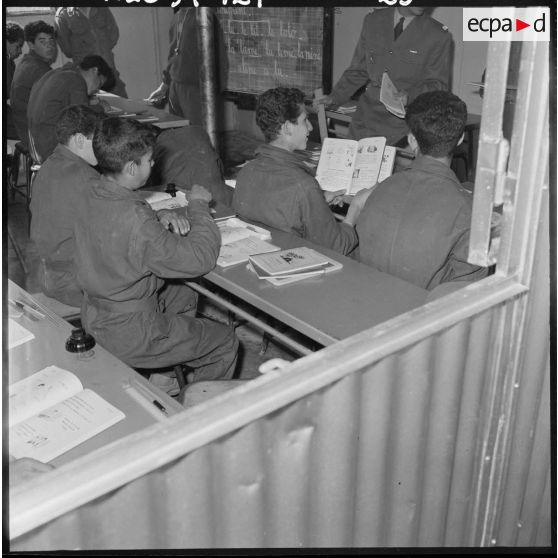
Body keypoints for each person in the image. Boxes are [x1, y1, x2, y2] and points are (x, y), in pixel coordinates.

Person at [73, 118, 239, 394]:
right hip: (131, 330)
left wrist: (155, 216)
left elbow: (118, 226)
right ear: (130, 168)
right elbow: (200, 258)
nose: (154, 165)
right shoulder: (136, 218)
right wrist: (198, 206)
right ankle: (197, 418)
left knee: (184, 292)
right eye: (149, 160)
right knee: (225, 341)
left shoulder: (91, 191)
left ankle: (164, 377)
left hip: (94, 312)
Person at [346, 91, 489, 291]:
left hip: (359, 302)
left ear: (412, 140)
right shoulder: (468, 212)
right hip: (420, 316)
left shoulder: (379, 191)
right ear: (460, 139)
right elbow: (464, 293)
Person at [233, 87, 358, 256]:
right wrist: (354, 211)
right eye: (305, 120)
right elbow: (338, 246)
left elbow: (282, 210)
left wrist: (318, 201)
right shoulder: (302, 184)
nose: (310, 128)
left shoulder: (246, 171)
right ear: (287, 128)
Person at [316, 6, 451, 145]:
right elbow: (359, 69)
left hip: (404, 128)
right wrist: (334, 97)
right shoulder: (373, 20)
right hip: (365, 120)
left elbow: (438, 84)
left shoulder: (437, 35)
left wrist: (410, 95)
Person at [30, 105, 103, 307]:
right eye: (97, 140)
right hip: (74, 283)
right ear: (79, 140)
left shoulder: (48, 165)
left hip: (47, 274)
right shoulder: (85, 176)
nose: (104, 146)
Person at [145, 7, 227, 126]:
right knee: (188, 135)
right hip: (183, 88)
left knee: (191, 135)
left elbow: (218, 55)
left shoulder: (194, 16)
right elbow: (174, 54)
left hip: (188, 88)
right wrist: (164, 86)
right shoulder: (183, 16)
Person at [27, 54, 115, 162]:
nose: (96, 89)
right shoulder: (76, 80)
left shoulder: (54, 73)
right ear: (94, 70)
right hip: (52, 150)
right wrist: (101, 108)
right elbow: (83, 120)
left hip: (36, 146)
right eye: (100, 83)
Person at [54, 7, 127, 97]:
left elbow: (113, 35)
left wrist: (102, 49)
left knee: (122, 104)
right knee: (91, 108)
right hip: (86, 79)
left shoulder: (102, 8)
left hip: (109, 70)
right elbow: (67, 50)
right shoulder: (63, 15)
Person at [151, 125, 233, 207]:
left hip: (193, 201)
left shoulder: (161, 149)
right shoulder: (196, 131)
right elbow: (220, 167)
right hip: (223, 199)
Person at [10, 20, 58, 144]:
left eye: (51, 40)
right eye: (43, 41)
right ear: (31, 45)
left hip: (25, 128)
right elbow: (56, 107)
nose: (50, 46)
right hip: (35, 136)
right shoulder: (39, 70)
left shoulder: (27, 61)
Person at [6, 21, 24, 139]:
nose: (20, 51)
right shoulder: (6, 63)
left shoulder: (9, 63)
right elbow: (11, 96)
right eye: (18, 46)